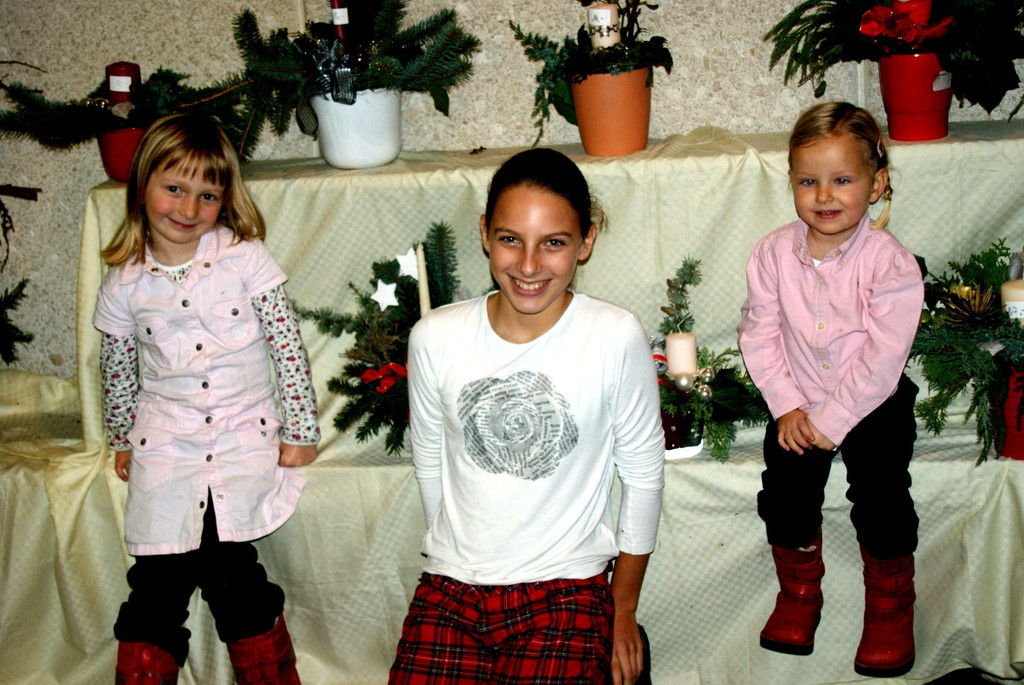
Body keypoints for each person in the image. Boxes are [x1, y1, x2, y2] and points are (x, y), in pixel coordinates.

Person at [388, 148, 665, 685]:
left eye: (553, 242)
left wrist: (623, 607)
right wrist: (459, 557)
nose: (529, 265)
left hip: (567, 588)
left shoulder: (612, 336)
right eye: (511, 239)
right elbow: (430, 463)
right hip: (451, 587)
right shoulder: (435, 338)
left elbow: (643, 475)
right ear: (485, 233)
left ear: (586, 242)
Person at [93, 114, 320, 685]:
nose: (189, 209)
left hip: (241, 435)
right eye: (174, 188)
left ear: (225, 199)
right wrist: (122, 439)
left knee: (229, 571)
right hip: (167, 443)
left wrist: (301, 430)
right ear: (142, 185)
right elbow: (117, 369)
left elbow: (286, 344)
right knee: (156, 581)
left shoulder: (243, 257)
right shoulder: (123, 282)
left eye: (207, 196)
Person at [737, 102, 923, 678]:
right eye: (807, 181)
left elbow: (883, 358)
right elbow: (759, 334)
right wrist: (787, 406)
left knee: (883, 492)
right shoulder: (771, 254)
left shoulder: (890, 264)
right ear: (792, 182)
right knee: (785, 490)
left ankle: (890, 605)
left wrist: (832, 420)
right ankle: (799, 593)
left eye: (842, 180)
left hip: (873, 399)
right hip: (799, 396)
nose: (824, 196)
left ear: (876, 184)